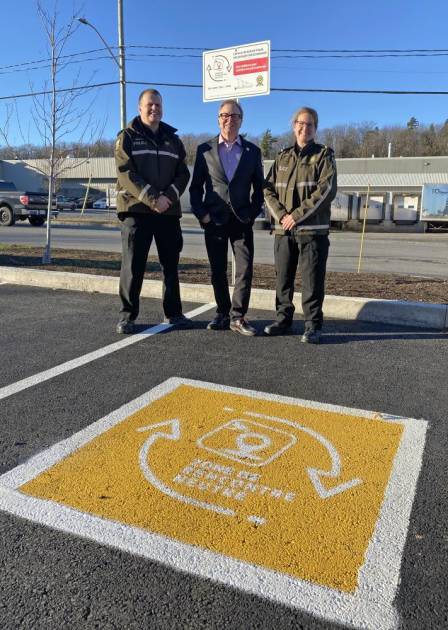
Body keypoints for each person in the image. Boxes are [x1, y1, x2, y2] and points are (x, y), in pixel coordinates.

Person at [114, 89, 190, 334]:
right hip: (137, 211)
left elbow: (182, 174)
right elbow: (126, 173)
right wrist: (152, 198)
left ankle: (174, 313)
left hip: (167, 212)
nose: (154, 109)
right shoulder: (127, 137)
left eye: (158, 105)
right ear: (140, 108)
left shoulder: (173, 140)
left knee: (170, 265)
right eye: (150, 105)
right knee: (133, 266)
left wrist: (167, 198)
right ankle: (128, 316)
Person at [189, 99, 264, 336]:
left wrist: (252, 214)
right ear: (218, 118)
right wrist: (203, 215)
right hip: (215, 221)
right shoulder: (204, 150)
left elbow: (259, 189)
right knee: (217, 269)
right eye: (224, 115)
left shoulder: (253, 152)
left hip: (242, 221)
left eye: (234, 116)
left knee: (244, 269)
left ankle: (238, 316)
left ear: (241, 121)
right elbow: (195, 189)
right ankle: (222, 313)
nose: (229, 120)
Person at [263, 106, 337, 344]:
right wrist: (282, 215)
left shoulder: (324, 155)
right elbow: (268, 189)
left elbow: (326, 190)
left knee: (312, 281)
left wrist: (297, 215)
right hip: (283, 231)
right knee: (282, 279)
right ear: (294, 125)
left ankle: (313, 325)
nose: (305, 128)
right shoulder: (282, 156)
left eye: (310, 125)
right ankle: (283, 320)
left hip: (312, 232)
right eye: (301, 123)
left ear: (315, 128)